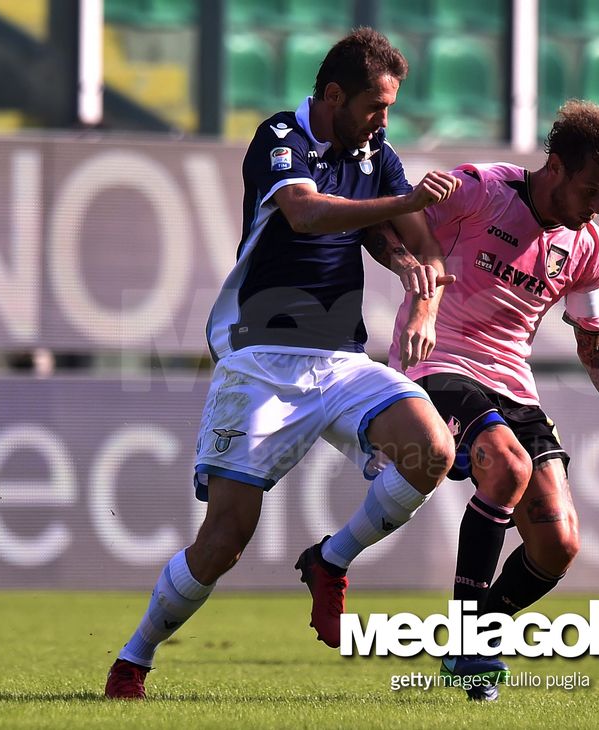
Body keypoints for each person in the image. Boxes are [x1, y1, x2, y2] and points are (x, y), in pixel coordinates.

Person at [104, 28, 459, 700]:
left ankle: (330, 559)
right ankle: (135, 656)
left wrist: (423, 306)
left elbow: (423, 246)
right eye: (376, 106)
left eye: (390, 108)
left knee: (432, 451)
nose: (385, 121)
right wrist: (403, 206)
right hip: (260, 357)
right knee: (225, 541)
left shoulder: (374, 151)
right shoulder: (280, 137)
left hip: (339, 360)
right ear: (332, 95)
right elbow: (306, 214)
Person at [375, 99, 599, 701]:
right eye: (592, 188)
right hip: (439, 362)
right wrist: (415, 274)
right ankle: (466, 641)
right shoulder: (480, 190)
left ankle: (477, 634)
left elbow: (593, 346)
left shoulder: (587, 246)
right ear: (556, 167)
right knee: (506, 468)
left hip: (513, 385)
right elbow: (386, 221)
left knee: (557, 544)